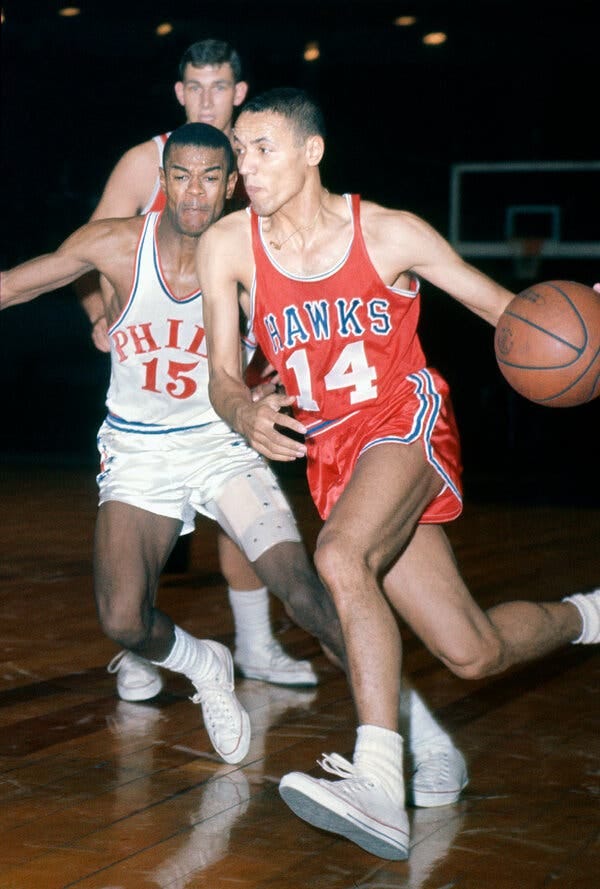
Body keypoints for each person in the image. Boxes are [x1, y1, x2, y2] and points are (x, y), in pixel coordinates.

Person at [1, 124, 468, 800]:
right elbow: (14, 286)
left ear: (230, 187)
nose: (194, 191)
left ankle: (424, 739)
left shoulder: (255, 254)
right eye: (181, 175)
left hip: (222, 445)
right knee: (123, 619)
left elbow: (336, 322)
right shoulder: (114, 245)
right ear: (163, 181)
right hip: (138, 449)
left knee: (309, 594)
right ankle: (203, 663)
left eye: (210, 177)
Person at [198, 88, 600, 859]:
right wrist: (241, 410)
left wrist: (585, 327)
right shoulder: (228, 245)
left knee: (340, 555)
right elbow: (220, 374)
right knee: (472, 651)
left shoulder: (388, 232)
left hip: (404, 421)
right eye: (240, 152)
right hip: (332, 456)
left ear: (312, 151)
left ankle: (380, 781)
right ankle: (589, 615)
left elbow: (508, 313)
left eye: (263, 148)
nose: (246, 166)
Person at [77, 38, 318, 695]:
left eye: (220, 87)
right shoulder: (144, 160)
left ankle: (256, 643)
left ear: (239, 93)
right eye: (195, 86)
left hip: (236, 344)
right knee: (145, 512)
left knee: (241, 492)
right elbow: (88, 249)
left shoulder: (260, 158)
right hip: (159, 349)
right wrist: (101, 314)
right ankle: (143, 647)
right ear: (179, 92)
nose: (207, 98)